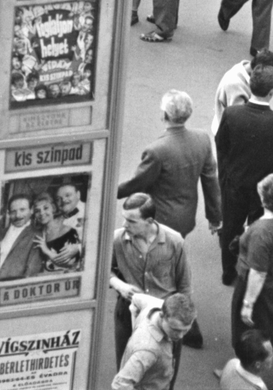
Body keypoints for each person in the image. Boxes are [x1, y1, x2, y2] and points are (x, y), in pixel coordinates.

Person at [118, 90, 221, 346]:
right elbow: (210, 180)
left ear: (164, 115)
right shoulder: (201, 139)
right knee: (173, 264)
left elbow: (137, 183)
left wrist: (108, 187)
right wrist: (215, 216)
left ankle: (180, 320)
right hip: (185, 217)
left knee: (163, 271)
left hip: (161, 219)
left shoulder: (157, 150)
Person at [109, 191, 192, 364]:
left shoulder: (174, 241)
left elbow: (184, 285)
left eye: (131, 221)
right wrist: (119, 285)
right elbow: (103, 271)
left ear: (149, 221)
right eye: (124, 218)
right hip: (129, 312)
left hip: (165, 314)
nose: (124, 224)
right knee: (127, 365)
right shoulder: (117, 239)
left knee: (164, 369)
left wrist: (179, 320)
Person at [219, 69, 273, 286]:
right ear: (270, 92)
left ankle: (228, 273)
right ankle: (249, 269)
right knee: (256, 230)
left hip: (235, 184)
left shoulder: (232, 114)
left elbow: (222, 146)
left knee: (230, 227)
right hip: (262, 189)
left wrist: (225, 177)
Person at [112, 294, 197, 390]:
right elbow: (120, 384)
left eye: (185, 330)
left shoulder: (156, 305)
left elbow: (135, 298)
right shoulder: (148, 351)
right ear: (162, 316)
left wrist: (134, 319)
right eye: (175, 330)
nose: (181, 336)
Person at [235, 179, 273, 355]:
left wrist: (248, 304)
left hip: (258, 290)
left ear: (264, 199)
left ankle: (245, 373)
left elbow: (258, 271)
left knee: (249, 334)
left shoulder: (261, 231)